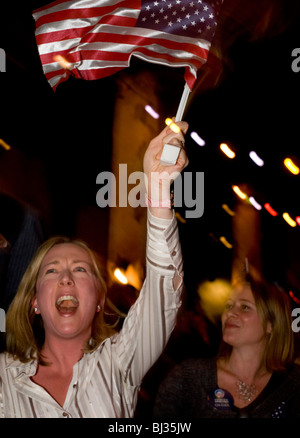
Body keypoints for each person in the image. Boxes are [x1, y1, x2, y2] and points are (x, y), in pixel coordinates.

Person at [0, 120, 189, 418]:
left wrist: (158, 186)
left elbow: (165, 291)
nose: (65, 278)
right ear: (34, 301)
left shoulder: (121, 362)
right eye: (51, 271)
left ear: (100, 299)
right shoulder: (3, 377)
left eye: (80, 270)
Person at [153, 276, 300, 418]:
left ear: (271, 324)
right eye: (229, 305)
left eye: (245, 307)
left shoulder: (292, 384)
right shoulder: (188, 378)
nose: (230, 313)